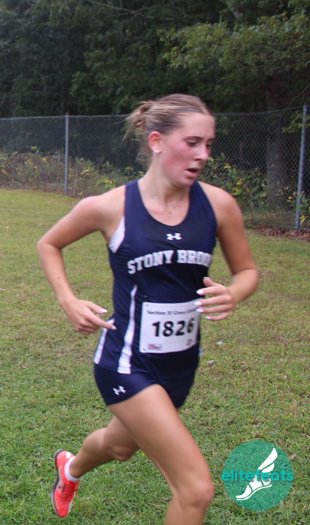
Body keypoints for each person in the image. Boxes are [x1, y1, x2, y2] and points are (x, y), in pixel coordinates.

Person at [36, 94, 259, 524]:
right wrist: (68, 299)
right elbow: (49, 243)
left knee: (120, 447)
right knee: (195, 490)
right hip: (126, 362)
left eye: (208, 144)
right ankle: (73, 468)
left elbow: (247, 270)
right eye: (192, 142)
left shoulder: (218, 205)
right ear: (156, 141)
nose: (203, 154)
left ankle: (70, 468)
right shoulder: (111, 207)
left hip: (180, 364)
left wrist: (235, 292)